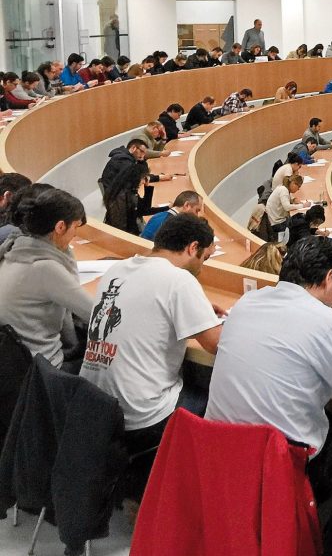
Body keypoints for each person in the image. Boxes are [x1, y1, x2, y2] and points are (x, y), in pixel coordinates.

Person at [208, 237, 332, 461]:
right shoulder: (327, 321)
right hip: (278, 464)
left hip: (218, 452)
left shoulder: (247, 302)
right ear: (329, 277)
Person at [81, 214, 223, 496]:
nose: (202, 268)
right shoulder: (179, 280)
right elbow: (216, 344)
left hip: (93, 406)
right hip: (141, 417)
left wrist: (200, 308)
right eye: (204, 259)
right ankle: (173, 495)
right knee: (217, 404)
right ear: (193, 247)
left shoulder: (115, 271)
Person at [0, 188, 93, 371]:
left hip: (15, 362)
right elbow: (96, 315)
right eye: (75, 226)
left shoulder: (13, 248)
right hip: (42, 369)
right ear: (60, 227)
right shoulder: (45, 268)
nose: (75, 234)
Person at [100, 140, 169, 235]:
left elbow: (144, 210)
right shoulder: (124, 196)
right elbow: (122, 230)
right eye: (142, 152)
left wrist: (147, 188)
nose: (144, 155)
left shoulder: (131, 191)